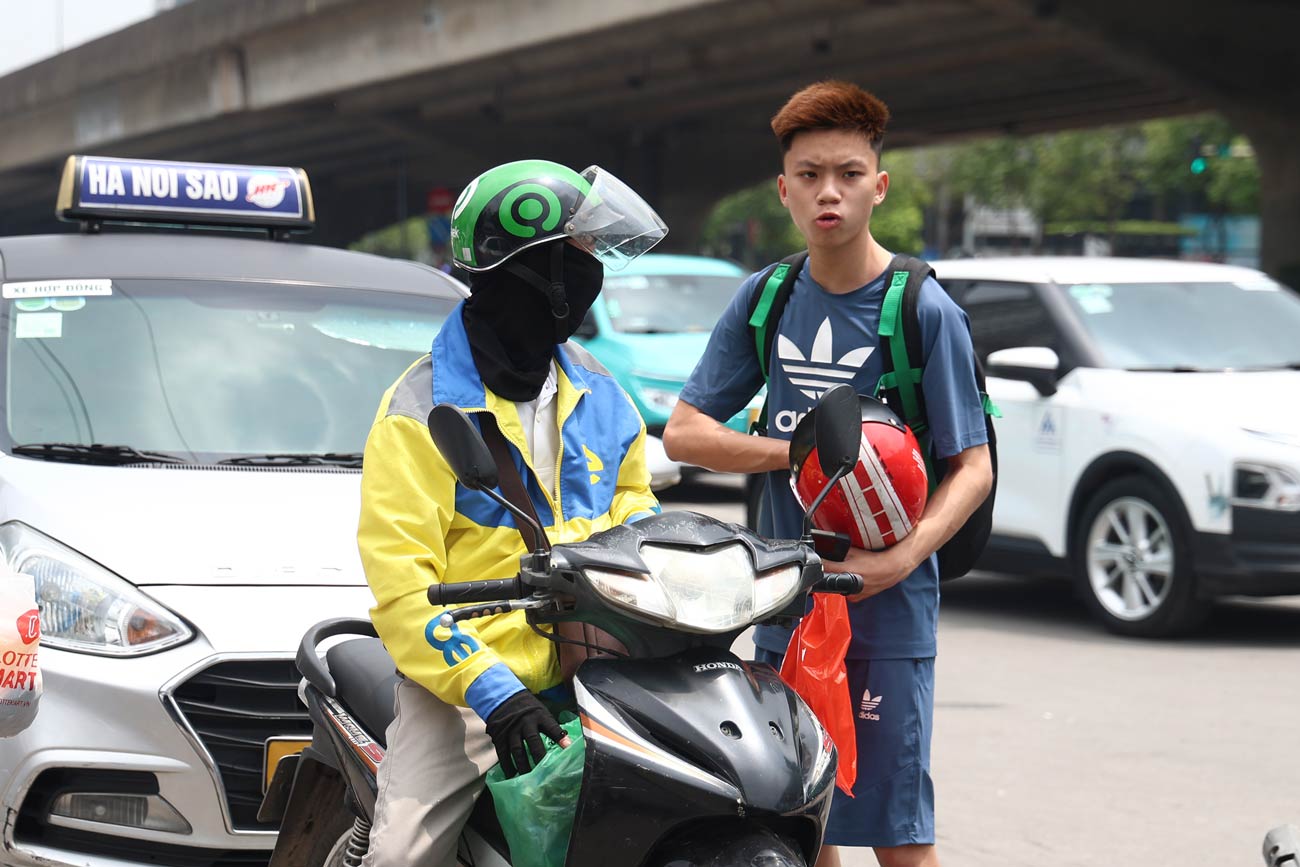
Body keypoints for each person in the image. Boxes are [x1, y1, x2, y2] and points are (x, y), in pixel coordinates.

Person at [663, 81, 993, 867]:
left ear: (879, 186)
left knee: (896, 830)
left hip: (888, 610)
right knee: (797, 820)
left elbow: (972, 466)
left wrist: (902, 559)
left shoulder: (922, 309)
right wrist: (803, 452)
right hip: (785, 599)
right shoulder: (767, 298)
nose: (829, 192)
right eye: (809, 176)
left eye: (848, 173)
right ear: (784, 191)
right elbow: (684, 433)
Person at [357, 159, 668, 867]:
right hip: (468, 688)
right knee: (402, 858)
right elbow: (403, 590)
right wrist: (494, 694)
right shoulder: (418, 412)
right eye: (584, 253)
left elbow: (642, 519)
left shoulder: (599, 388)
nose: (595, 271)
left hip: (601, 669)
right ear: (541, 270)